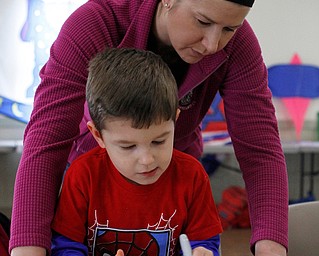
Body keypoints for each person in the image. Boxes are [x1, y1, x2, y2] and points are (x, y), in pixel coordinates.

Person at [10, 0, 289, 255]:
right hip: (94, 182)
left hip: (174, 183)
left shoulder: (237, 44)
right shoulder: (93, 23)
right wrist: (27, 247)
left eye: (229, 28)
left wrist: (271, 246)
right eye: (202, 22)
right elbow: (46, 141)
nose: (213, 44)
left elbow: (260, 148)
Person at [50, 47, 223, 256]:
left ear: (175, 121)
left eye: (159, 141)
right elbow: (65, 246)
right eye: (128, 146)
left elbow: (203, 240)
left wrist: (203, 250)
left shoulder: (192, 175)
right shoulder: (82, 176)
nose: (147, 160)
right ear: (98, 136)